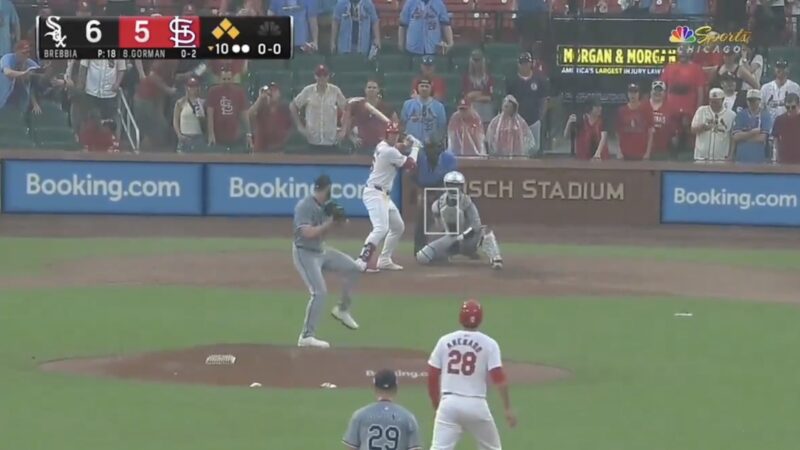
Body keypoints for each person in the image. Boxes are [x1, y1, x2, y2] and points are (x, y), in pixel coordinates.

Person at [427, 299, 516, 450]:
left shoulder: (444, 341)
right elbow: (498, 378)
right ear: (481, 319)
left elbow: (432, 375)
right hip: (476, 404)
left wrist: (437, 405)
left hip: (449, 403)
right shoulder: (489, 344)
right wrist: (507, 408)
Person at [292, 174, 364, 348]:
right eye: (329, 189)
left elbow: (341, 226)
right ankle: (306, 336)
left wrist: (340, 220)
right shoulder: (305, 206)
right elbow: (307, 233)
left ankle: (342, 309)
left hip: (321, 250)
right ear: (325, 189)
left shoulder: (327, 205)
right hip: (305, 253)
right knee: (319, 292)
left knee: (354, 268)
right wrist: (330, 223)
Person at [358, 123, 417, 272]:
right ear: (386, 134)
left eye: (396, 133)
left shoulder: (383, 146)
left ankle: (384, 260)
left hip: (383, 195)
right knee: (381, 228)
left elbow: (397, 147)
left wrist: (406, 144)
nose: (394, 135)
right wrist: (415, 147)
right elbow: (411, 164)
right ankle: (361, 261)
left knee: (398, 226)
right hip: (375, 193)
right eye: (391, 133)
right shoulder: (388, 151)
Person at [416, 171, 503, 269]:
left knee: (486, 232)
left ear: (461, 186)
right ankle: (443, 256)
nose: (454, 188)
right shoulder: (438, 204)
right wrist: (442, 240)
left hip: (468, 240)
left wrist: (464, 235)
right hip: (450, 240)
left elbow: (476, 224)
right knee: (422, 257)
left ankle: (496, 258)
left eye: (456, 185)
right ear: (445, 185)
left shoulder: (466, 202)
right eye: (451, 185)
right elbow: (439, 227)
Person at [342, 369, 422, 450]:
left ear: (375, 388)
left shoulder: (360, 415)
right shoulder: (408, 418)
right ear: (395, 388)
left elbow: (350, 448)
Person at [412, 138, 457, 256]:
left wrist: (439, 194)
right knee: (423, 218)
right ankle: (418, 248)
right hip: (423, 187)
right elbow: (412, 174)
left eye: (435, 148)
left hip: (441, 187)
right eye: (429, 148)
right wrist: (420, 192)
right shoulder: (419, 156)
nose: (432, 151)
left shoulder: (449, 158)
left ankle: (453, 247)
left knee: (447, 216)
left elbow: (449, 180)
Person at [290, 64, 349, 152]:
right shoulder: (308, 90)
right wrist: (299, 126)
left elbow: (347, 108)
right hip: (312, 139)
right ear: (315, 76)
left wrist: (344, 129)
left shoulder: (335, 90)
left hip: (331, 140)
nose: (322, 78)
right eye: (319, 75)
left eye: (324, 75)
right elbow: (293, 105)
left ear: (328, 76)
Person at [506, 52, 549, 155]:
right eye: (522, 63)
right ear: (518, 64)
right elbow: (508, 100)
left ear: (531, 64)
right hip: (517, 122)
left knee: (535, 149)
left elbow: (544, 99)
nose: (525, 66)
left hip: (534, 121)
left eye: (527, 63)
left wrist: (540, 117)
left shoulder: (539, 80)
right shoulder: (512, 81)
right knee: (518, 148)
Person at [206, 65, 251, 150]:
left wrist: (248, 134)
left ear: (232, 79)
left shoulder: (239, 91)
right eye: (224, 79)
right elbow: (210, 114)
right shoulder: (213, 91)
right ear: (219, 79)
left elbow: (244, 114)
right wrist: (211, 134)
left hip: (235, 135)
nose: (226, 81)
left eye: (228, 79)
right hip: (218, 136)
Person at [348, 79, 398, 153]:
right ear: (365, 90)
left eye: (374, 88)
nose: (371, 89)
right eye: (369, 87)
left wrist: (388, 139)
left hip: (381, 146)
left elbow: (395, 123)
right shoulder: (357, 106)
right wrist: (353, 139)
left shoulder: (386, 107)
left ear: (378, 90)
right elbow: (347, 125)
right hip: (362, 146)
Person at [660, 44, 707, 121]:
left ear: (689, 54)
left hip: (689, 112)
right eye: (681, 54)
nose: (683, 56)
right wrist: (662, 109)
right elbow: (662, 89)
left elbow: (700, 92)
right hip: (671, 111)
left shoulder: (697, 69)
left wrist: (698, 112)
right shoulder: (669, 68)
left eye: (685, 54)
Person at [691, 88, 737, 162]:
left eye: (716, 102)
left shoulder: (731, 115)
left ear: (722, 100)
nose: (713, 104)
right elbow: (693, 130)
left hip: (721, 158)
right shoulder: (701, 111)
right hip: (701, 157)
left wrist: (731, 155)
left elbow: (733, 137)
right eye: (711, 101)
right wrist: (703, 127)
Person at [248, 83, 293, 153]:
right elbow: (250, 116)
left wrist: (283, 141)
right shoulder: (260, 107)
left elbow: (290, 128)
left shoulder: (284, 110)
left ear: (279, 94)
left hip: (278, 149)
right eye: (270, 91)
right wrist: (260, 98)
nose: (271, 93)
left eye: (274, 91)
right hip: (260, 149)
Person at [731, 89, 773, 163]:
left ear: (759, 101)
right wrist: (752, 133)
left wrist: (743, 137)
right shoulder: (741, 114)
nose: (751, 103)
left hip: (759, 157)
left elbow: (762, 138)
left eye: (754, 100)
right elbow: (736, 137)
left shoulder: (765, 115)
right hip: (741, 157)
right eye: (749, 100)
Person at [400, 78, 447, 144]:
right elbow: (402, 125)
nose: (424, 88)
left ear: (431, 88)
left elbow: (442, 128)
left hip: (431, 148)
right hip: (411, 145)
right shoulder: (407, 104)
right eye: (422, 86)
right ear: (418, 88)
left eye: (427, 86)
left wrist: (435, 141)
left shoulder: (439, 107)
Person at [615, 83, 654, 160]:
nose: (632, 95)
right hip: (625, 153)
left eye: (635, 92)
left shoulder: (646, 109)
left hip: (642, 154)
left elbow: (650, 132)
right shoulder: (621, 110)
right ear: (628, 94)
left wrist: (647, 153)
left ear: (639, 94)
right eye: (630, 92)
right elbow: (617, 133)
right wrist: (619, 151)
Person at [0, 40, 40, 114]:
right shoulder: (7, 58)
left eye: (28, 53)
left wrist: (35, 103)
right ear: (16, 51)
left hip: (20, 98)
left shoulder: (29, 62)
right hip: (3, 95)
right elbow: (7, 72)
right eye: (24, 53)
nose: (27, 55)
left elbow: (38, 74)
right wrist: (24, 73)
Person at [461, 49, 495, 127]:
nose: (476, 63)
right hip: (471, 107)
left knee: (488, 108)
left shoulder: (488, 78)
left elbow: (489, 98)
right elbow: (467, 97)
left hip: (485, 107)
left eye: (478, 60)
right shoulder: (466, 78)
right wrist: (481, 93)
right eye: (474, 60)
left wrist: (474, 95)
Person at [172, 77, 207, 153]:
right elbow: (175, 120)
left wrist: (201, 114)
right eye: (190, 87)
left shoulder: (203, 102)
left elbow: (206, 121)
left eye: (195, 86)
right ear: (187, 88)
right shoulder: (180, 103)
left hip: (198, 136)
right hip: (185, 136)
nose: (192, 89)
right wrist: (179, 134)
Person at [649, 80, 681, 159]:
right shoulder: (643, 107)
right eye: (655, 90)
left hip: (663, 152)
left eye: (660, 91)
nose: (657, 93)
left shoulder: (671, 109)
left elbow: (674, 132)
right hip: (644, 151)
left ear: (665, 93)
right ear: (651, 92)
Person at [772, 92, 800, 163]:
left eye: (793, 107)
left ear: (798, 105)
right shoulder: (780, 119)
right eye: (787, 107)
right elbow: (776, 140)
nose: (790, 109)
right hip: (784, 158)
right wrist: (776, 157)